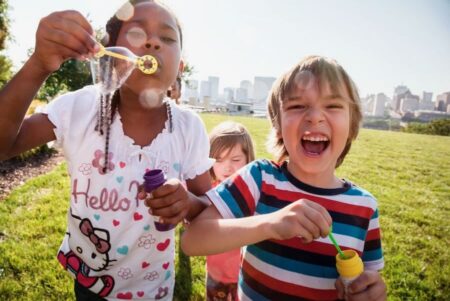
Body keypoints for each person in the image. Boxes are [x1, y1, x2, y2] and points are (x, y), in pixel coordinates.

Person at [0, 0, 213, 300]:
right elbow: (5, 145)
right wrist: (39, 64)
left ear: (180, 67)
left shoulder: (188, 127)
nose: (152, 42)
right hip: (89, 281)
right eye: (137, 34)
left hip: (153, 290)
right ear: (110, 54)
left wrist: (188, 203)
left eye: (166, 38)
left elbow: (209, 204)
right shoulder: (82, 109)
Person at [181, 55, 387, 300]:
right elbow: (193, 240)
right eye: (297, 106)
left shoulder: (364, 208)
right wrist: (271, 224)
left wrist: (372, 292)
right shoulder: (259, 179)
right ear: (277, 123)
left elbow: (370, 280)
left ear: (352, 123)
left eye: (332, 106)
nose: (315, 117)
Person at [206, 121, 255, 301]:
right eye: (218, 160)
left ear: (248, 159)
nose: (227, 167)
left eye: (235, 160)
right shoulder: (209, 193)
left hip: (245, 276)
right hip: (215, 274)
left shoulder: (253, 193)